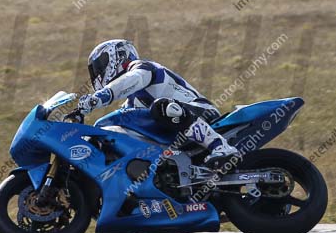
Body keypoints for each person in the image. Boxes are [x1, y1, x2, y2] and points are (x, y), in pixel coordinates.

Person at [75, 39, 239, 164]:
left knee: (161, 107)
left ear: (118, 56)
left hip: (202, 113)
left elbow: (133, 79)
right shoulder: (132, 102)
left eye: (100, 65)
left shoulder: (143, 67)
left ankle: (221, 147)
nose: (97, 72)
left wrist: (99, 97)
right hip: (177, 132)